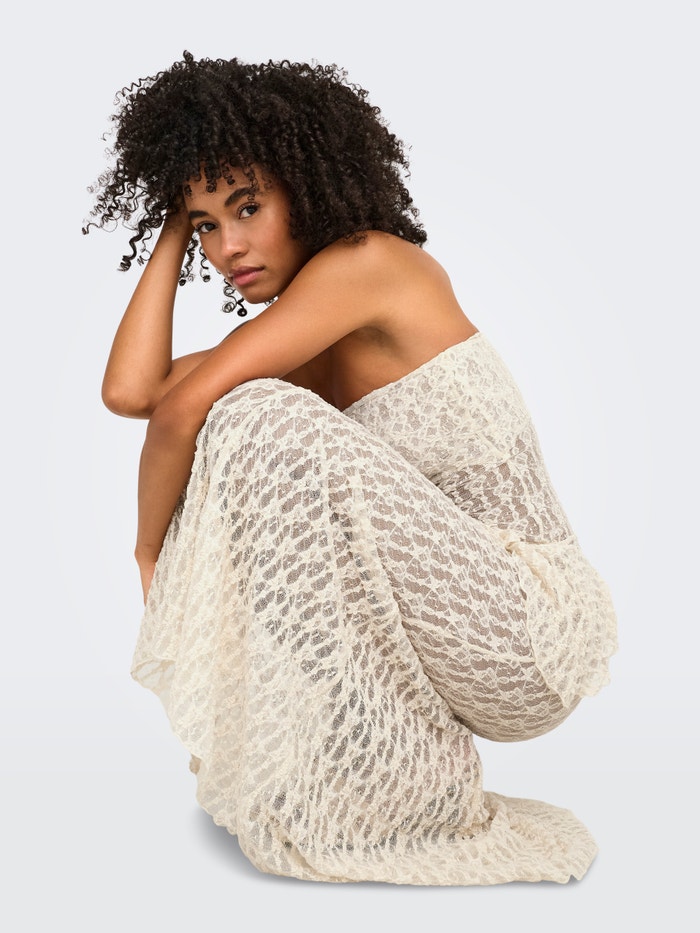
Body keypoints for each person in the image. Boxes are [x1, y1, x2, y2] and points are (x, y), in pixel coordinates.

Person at [85, 51, 617, 885]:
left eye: (247, 206)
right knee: (248, 415)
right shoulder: (297, 342)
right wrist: (170, 228)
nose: (227, 247)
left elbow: (181, 411)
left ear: (307, 183)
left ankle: (412, 794)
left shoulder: (371, 264)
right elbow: (134, 393)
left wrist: (147, 549)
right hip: (456, 643)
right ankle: (372, 780)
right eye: (206, 227)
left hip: (529, 630)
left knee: (249, 417)